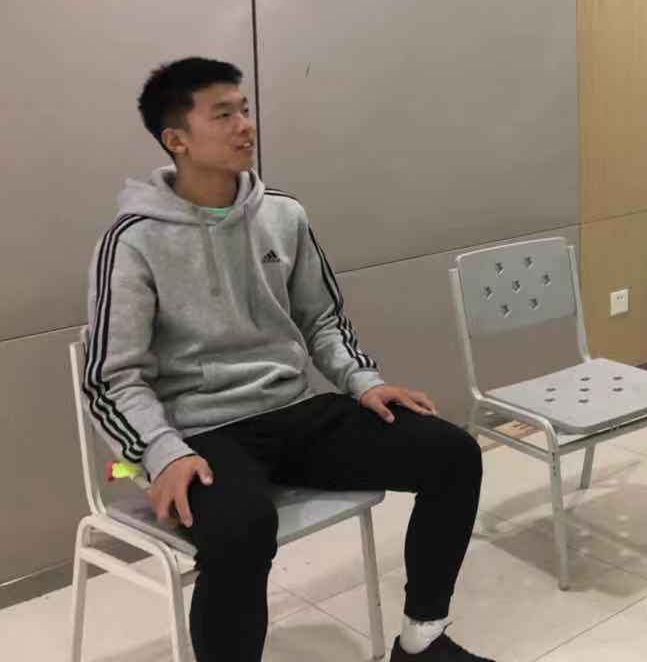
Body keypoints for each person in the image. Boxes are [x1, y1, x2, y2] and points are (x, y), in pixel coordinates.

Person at [83, 58, 495, 662]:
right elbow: (113, 378)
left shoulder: (283, 214)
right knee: (242, 528)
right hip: (201, 434)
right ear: (177, 140)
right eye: (223, 115)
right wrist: (161, 452)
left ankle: (421, 641)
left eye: (244, 109)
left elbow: (322, 320)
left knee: (452, 454)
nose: (244, 125)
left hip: (294, 411)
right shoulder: (133, 240)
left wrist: (364, 382)